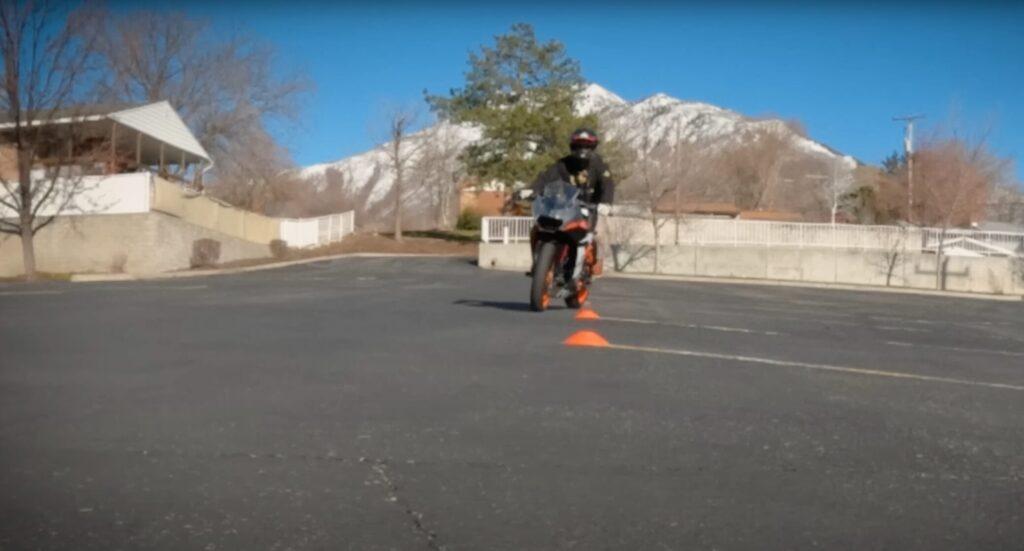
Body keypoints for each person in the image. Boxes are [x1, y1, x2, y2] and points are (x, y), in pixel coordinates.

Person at [527, 128, 615, 276]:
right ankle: (537, 263)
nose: (583, 149)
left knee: (598, 233)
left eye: (587, 146)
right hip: (565, 206)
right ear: (572, 146)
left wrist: (605, 203)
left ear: (593, 147)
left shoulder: (599, 165)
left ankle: (596, 262)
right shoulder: (563, 164)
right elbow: (544, 178)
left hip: (591, 208)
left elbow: (608, 184)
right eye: (579, 145)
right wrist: (531, 190)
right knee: (537, 228)